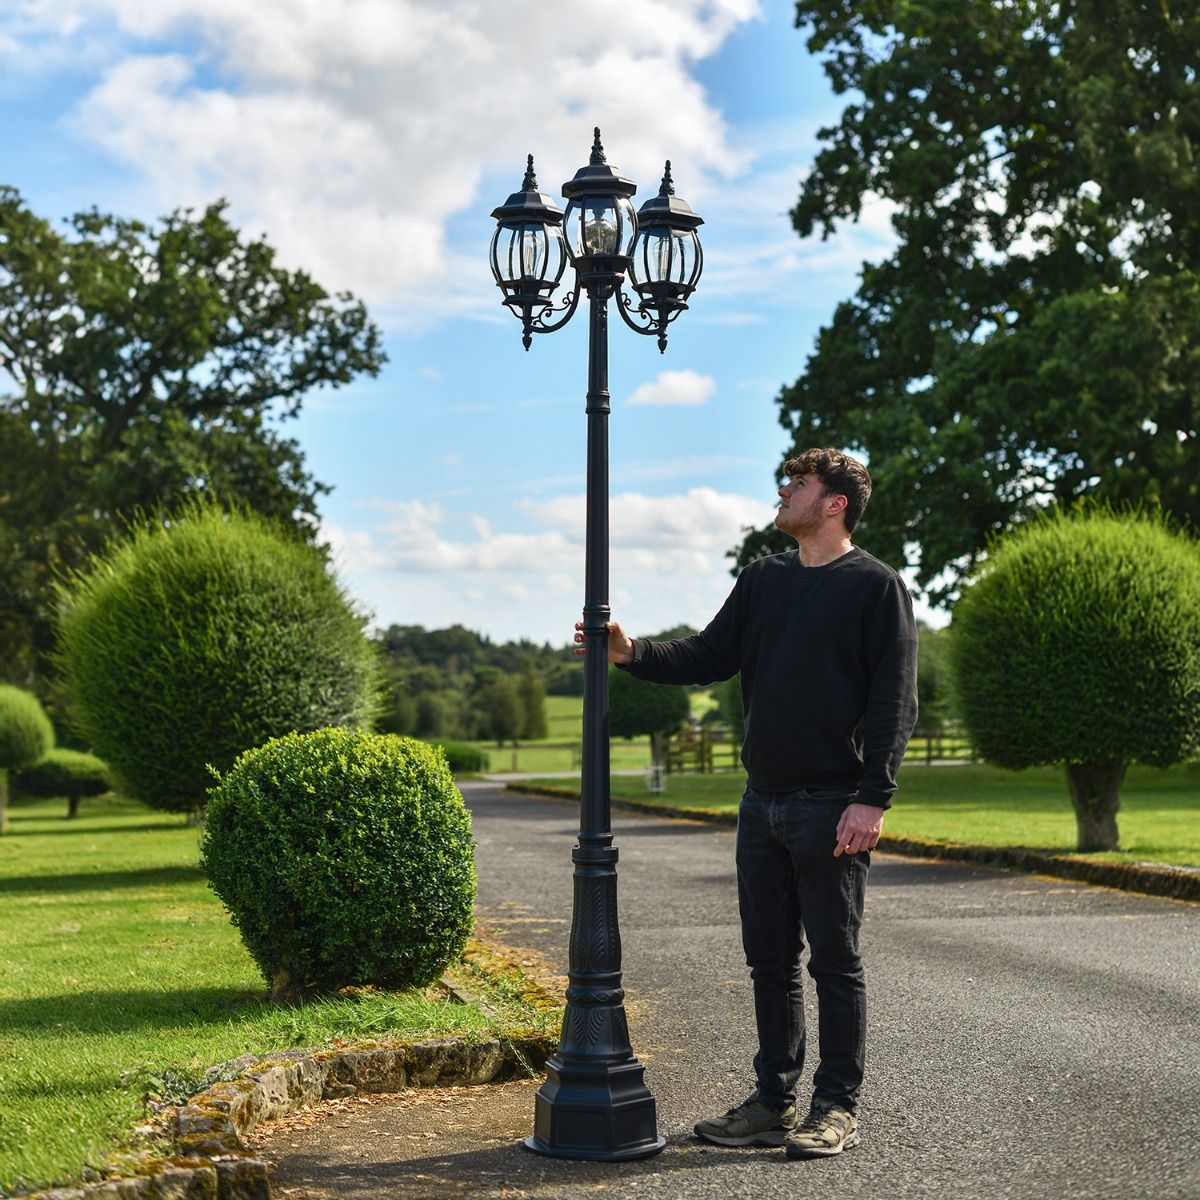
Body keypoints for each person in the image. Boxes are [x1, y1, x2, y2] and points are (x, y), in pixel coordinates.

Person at [573, 447, 918, 1160]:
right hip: (761, 803)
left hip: (832, 804)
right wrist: (631, 651)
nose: (784, 493)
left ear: (835, 504)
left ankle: (836, 1107)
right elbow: (708, 655)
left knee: (835, 961)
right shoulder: (763, 580)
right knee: (768, 961)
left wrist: (871, 799)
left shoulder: (876, 588)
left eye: (798, 484)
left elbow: (894, 703)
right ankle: (771, 1100)